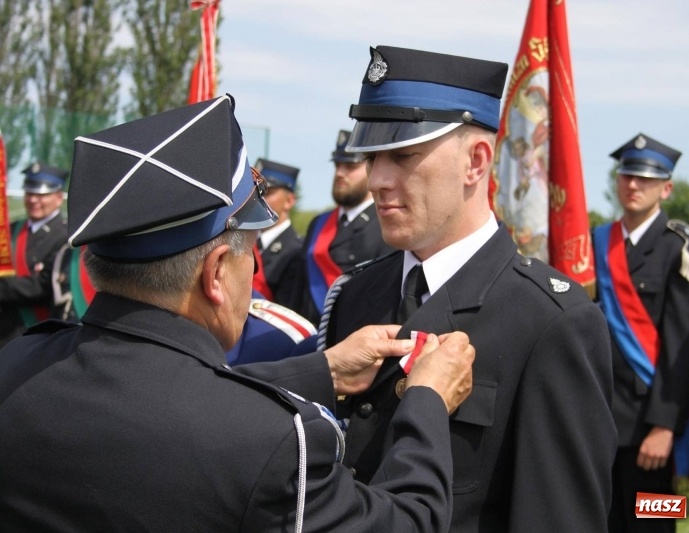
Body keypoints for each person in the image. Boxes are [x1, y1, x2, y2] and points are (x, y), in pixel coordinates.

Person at [0, 94, 477, 532]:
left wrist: (323, 371)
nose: (255, 266)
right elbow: (409, 524)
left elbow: (171, 388)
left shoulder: (19, 365)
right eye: (249, 249)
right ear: (215, 274)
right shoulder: (272, 444)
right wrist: (427, 401)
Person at [320, 45, 616, 532]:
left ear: (476, 161)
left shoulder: (549, 322)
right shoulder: (354, 293)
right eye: (372, 157)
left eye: (402, 154)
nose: (376, 179)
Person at [593, 133, 689, 533]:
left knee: (654, 526)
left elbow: (687, 348)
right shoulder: (592, 243)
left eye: (646, 179)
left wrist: (665, 427)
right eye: (627, 175)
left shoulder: (683, 250)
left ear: (666, 188)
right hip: (595, 422)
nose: (633, 185)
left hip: (650, 433)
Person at [297, 129, 394, 324]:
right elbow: (300, 292)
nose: (340, 173)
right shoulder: (319, 223)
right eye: (338, 165)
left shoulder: (386, 221)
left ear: (371, 168)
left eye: (350, 166)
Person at [0, 162, 68, 348]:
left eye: (42, 195)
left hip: (33, 336)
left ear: (58, 197)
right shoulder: (10, 231)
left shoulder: (65, 237)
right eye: (30, 193)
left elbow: (42, 285)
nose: (33, 200)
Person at [252, 158, 304, 308]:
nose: (259, 198)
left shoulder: (297, 251)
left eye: (268, 192)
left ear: (289, 201)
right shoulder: (246, 243)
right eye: (256, 191)